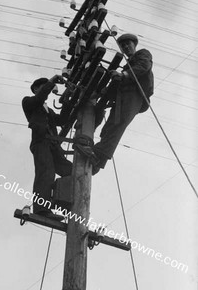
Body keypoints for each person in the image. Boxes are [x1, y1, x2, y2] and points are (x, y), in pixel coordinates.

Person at [80, 33, 154, 174]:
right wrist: (101, 92)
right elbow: (117, 84)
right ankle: (98, 162)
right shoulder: (126, 66)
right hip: (122, 97)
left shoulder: (142, 55)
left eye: (128, 44)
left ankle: (98, 153)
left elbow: (144, 66)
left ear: (134, 45)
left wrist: (124, 75)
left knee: (119, 124)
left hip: (135, 95)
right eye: (123, 45)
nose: (126, 47)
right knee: (109, 126)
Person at [22, 75, 72, 217]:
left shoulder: (48, 110)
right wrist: (51, 82)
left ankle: (65, 204)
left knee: (72, 172)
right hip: (41, 142)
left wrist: (67, 101)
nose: (47, 89)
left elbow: (62, 119)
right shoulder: (28, 102)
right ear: (36, 89)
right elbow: (39, 99)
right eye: (43, 87)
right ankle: (42, 209)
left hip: (53, 144)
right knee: (46, 173)